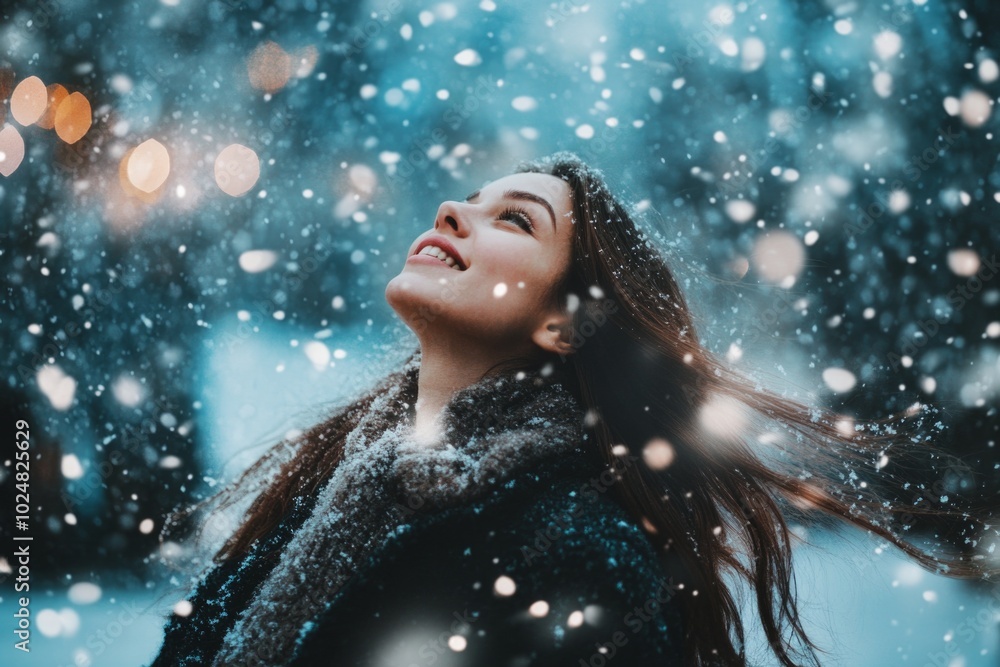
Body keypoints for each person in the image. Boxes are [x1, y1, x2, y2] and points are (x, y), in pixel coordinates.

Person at [149, 151, 993, 667]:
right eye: (470, 199)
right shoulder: (327, 491)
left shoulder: (583, 552)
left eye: (512, 218)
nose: (455, 210)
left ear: (562, 322)